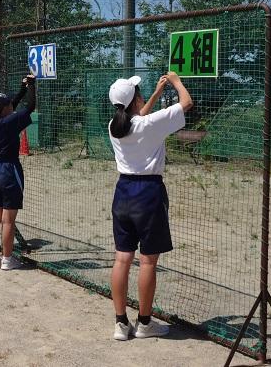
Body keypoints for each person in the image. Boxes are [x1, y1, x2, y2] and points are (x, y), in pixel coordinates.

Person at [107, 72, 193, 341]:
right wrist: (176, 82)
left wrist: (156, 93)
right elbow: (186, 103)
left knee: (122, 258)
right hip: (148, 193)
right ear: (135, 100)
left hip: (123, 193)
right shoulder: (149, 125)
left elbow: (138, 118)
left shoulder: (114, 126)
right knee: (147, 261)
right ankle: (144, 323)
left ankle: (121, 323)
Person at [0, 75, 36, 271]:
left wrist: (22, 88)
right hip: (9, 170)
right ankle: (6, 259)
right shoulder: (9, 121)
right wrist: (31, 86)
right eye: (8, 104)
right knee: (8, 220)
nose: (11, 105)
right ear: (4, 108)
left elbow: (11, 103)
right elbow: (30, 107)